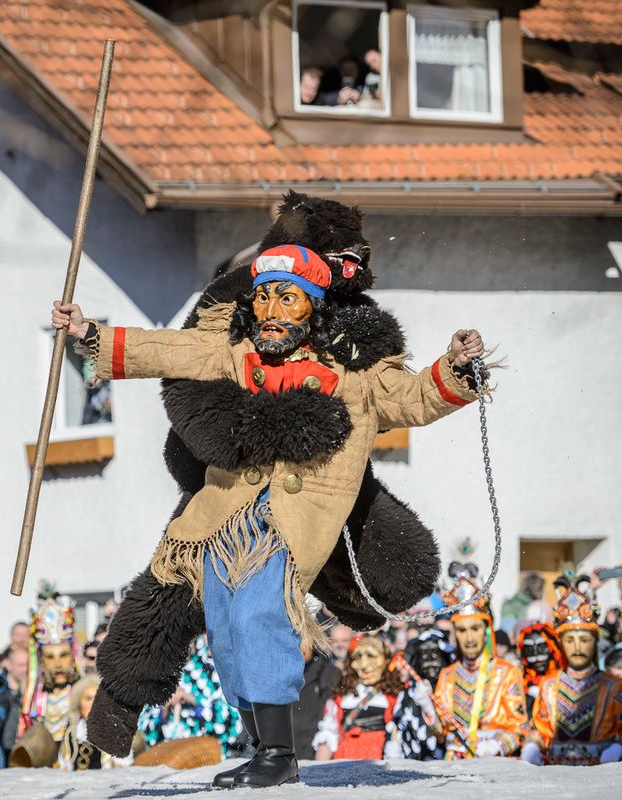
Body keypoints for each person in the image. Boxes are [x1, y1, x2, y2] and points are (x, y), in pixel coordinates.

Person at [56, 241, 489, 788]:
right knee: (224, 630)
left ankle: (281, 754)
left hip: (293, 523)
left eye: (288, 297)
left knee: (259, 615)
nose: (271, 311)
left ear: (314, 305)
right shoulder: (237, 351)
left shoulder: (355, 370)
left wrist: (454, 366)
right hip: (222, 520)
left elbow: (413, 397)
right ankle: (263, 747)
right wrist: (89, 333)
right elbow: (172, 349)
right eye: (263, 297)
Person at [523, 582, 622, 765]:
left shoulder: (614, 686)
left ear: (595, 642)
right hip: (556, 774)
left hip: (601, 773)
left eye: (584, 640)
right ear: (561, 643)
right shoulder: (549, 685)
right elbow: (540, 729)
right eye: (570, 640)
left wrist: (617, 748)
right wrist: (533, 745)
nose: (577, 647)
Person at [432, 576, 528, 759]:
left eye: (475, 629)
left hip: (495, 765)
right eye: (462, 630)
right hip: (454, 766)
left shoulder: (507, 673)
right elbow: (441, 732)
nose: (469, 639)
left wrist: (496, 745)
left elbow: (520, 728)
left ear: (486, 631)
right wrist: (429, 713)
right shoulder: (447, 675)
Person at [313, 635, 429, 760]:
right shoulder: (342, 696)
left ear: (385, 660)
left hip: (378, 757)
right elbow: (329, 732)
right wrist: (319, 766)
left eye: (371, 656)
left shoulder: (395, 695)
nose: (364, 665)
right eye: (358, 657)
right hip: (345, 757)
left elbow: (401, 733)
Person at [138, 634, 245, 758]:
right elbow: (144, 727)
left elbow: (231, 719)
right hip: (168, 754)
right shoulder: (163, 675)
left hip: (208, 754)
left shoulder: (216, 672)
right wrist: (164, 706)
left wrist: (190, 699)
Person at [11, 596, 81, 767]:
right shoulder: (32, 700)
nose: (58, 664)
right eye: (50, 657)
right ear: (41, 660)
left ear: (73, 656)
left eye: (64, 655)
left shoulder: (86, 695)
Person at [394, 628, 454, 760]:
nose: (429, 661)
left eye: (435, 653)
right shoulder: (409, 694)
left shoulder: (454, 689)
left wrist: (428, 708)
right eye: (424, 655)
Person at [58, 675, 131, 770]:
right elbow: (62, 767)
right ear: (78, 703)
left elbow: (124, 771)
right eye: (88, 698)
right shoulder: (70, 734)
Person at [516, 622, 562, 717]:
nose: (536, 655)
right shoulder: (517, 680)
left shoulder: (563, 679)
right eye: (529, 649)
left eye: (541, 647)